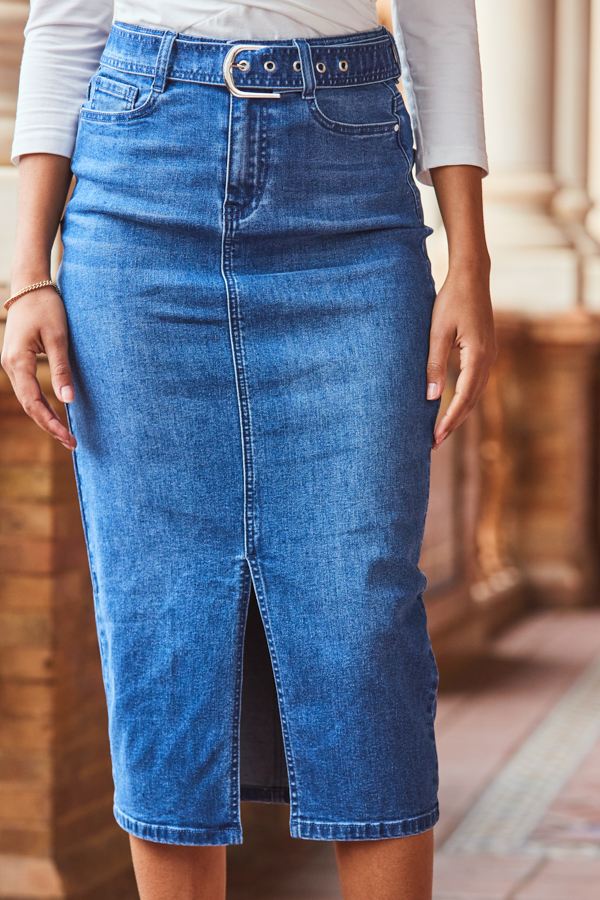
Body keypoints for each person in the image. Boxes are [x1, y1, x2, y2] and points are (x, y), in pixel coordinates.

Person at [2, 1, 496, 898]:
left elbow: (441, 21)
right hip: (138, 194)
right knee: (161, 611)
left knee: (364, 615)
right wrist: (26, 271)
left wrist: (472, 260)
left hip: (350, 192)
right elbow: (65, 22)